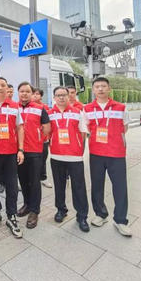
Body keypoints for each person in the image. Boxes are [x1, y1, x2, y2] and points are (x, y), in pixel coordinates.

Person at [84, 77, 132, 237]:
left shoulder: (120, 107)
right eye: (97, 86)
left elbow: (125, 127)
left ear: (109, 88)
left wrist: (113, 138)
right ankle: (101, 214)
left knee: (120, 186)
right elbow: (86, 129)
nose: (100, 89)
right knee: (97, 185)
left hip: (116, 153)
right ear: (93, 90)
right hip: (96, 153)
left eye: (103, 86)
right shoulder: (87, 109)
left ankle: (120, 220)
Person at [0, 77, 25, 238]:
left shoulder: (15, 106)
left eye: (3, 85)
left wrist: (20, 149)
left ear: (7, 88)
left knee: (12, 186)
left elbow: (20, 128)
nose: (1, 87)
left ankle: (11, 215)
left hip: (10, 153)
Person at [49, 86, 89, 232]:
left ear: (69, 96)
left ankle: (82, 216)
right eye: (58, 95)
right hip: (56, 155)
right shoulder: (49, 114)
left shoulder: (78, 112)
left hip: (74, 156)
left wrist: (78, 149)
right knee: (59, 185)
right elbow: (47, 132)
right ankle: (61, 210)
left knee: (79, 187)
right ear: (54, 97)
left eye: (64, 95)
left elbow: (83, 133)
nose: (61, 97)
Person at [16, 81, 50, 229]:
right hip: (18, 151)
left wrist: (38, 139)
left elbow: (46, 128)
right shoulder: (14, 107)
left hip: (35, 151)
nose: (24, 94)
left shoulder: (40, 108)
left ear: (32, 93)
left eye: (27, 91)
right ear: (18, 93)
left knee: (35, 181)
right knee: (23, 180)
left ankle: (34, 211)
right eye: (22, 91)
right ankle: (27, 204)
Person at [33, 87, 52, 189]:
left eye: (37, 94)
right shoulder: (26, 107)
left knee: (42, 160)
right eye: (33, 94)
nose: (35, 96)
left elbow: (47, 124)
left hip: (43, 139)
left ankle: (43, 178)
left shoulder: (44, 107)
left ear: (41, 96)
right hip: (31, 141)